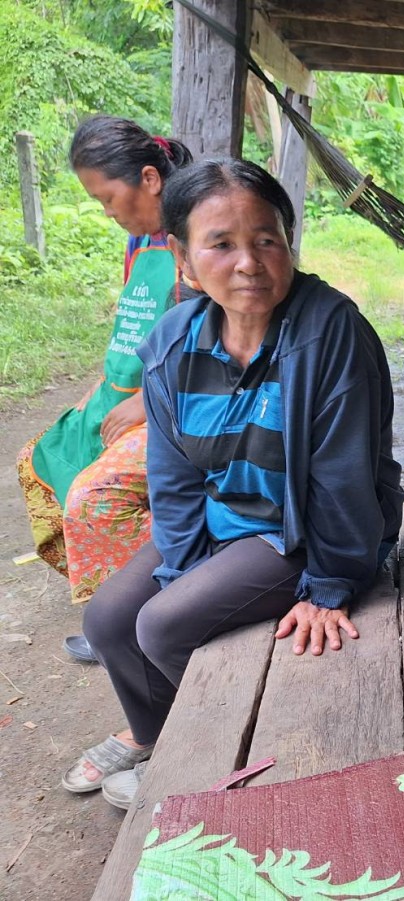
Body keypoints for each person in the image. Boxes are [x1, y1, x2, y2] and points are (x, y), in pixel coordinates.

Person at [61, 159, 404, 809]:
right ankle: (154, 734)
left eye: (266, 239)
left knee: (162, 625)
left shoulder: (331, 334)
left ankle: (216, 757)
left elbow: (343, 482)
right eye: (221, 243)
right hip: (228, 516)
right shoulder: (170, 344)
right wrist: (185, 567)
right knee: (109, 619)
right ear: (184, 258)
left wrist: (332, 584)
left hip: (312, 530)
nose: (248, 261)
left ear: (289, 245)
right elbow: (176, 480)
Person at [16, 117, 193, 660]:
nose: (109, 214)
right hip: (148, 390)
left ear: (149, 178)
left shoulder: (200, 231)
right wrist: (103, 390)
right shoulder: (142, 242)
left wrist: (147, 400)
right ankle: (123, 602)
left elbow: (221, 339)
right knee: (40, 456)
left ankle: (154, 609)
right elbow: (138, 334)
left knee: (94, 497)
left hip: (193, 403)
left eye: (109, 199)